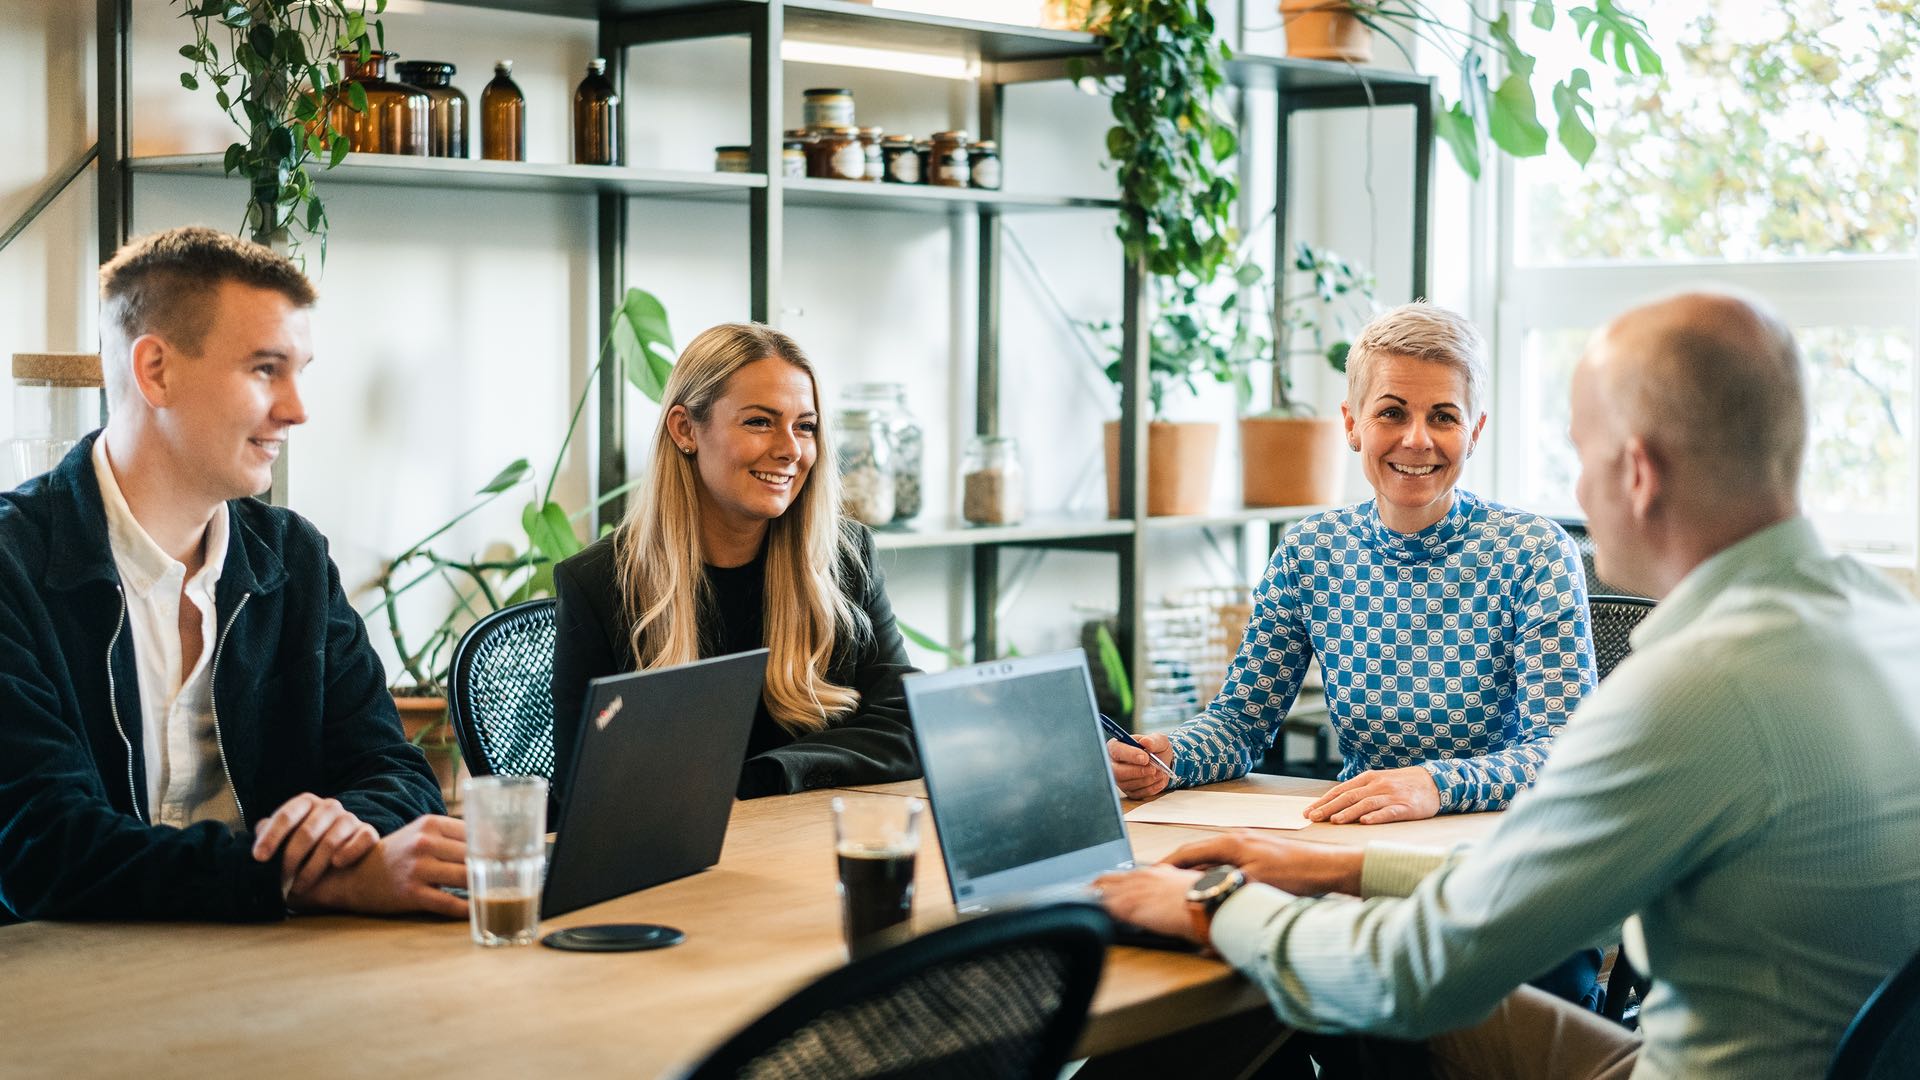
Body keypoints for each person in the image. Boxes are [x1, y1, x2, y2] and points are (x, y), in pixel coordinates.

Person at [1097, 291, 1920, 1079]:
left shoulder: (1694, 691)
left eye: (1580, 455)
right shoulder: (1886, 625)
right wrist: (1326, 869)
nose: (1576, 493)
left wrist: (1210, 904)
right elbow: (1554, 887)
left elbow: (1413, 975)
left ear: (1635, 473)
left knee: (1295, 1016)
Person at [0, 226, 466, 923]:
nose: (297, 409)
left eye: (300, 371)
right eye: (264, 369)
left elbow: (391, 773)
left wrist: (340, 832)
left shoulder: (295, 559)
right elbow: (45, 847)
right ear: (156, 370)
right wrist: (293, 877)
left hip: (268, 983)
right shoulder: (13, 567)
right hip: (59, 1001)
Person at [1110, 302, 1596, 826]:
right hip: (1351, 833)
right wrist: (1170, 755)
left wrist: (1435, 783)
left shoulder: (1534, 551)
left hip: (1493, 837)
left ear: (1473, 432)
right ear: (1352, 424)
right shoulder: (1309, 552)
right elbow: (1241, 724)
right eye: (1391, 412)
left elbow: (1565, 750)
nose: (1416, 439)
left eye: (1443, 416)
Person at [551, 322, 919, 801]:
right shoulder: (599, 584)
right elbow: (579, 794)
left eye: (804, 427)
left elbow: (909, 721)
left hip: (812, 849)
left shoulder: (844, 561)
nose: (790, 449)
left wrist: (767, 775)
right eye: (760, 422)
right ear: (685, 429)